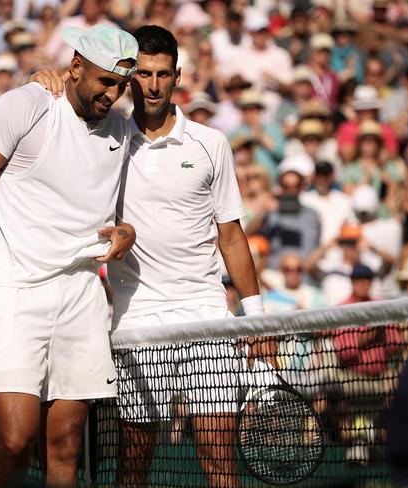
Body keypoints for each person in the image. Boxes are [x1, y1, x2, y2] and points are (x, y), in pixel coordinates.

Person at [33, 24, 269, 488]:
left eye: (163, 74)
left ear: (177, 75)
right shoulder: (104, 136)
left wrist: (256, 318)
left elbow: (232, 236)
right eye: (144, 74)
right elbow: (62, 110)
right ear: (130, 76)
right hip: (136, 321)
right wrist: (47, 83)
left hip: (205, 315)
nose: (154, 85)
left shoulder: (211, 144)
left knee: (218, 454)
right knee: (134, 462)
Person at [0, 25, 138, 487]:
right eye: (105, 82)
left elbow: (120, 208)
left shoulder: (120, 129)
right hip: (14, 292)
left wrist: (127, 230)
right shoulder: (25, 105)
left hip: (82, 295)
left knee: (66, 447)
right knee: (15, 442)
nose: (112, 94)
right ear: (75, 67)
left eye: (121, 85)